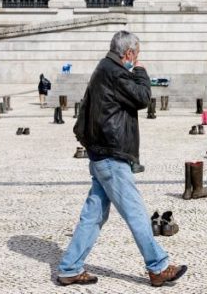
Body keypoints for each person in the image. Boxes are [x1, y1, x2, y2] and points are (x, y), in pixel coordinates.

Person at [57, 31, 187, 288]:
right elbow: (142, 97)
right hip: (111, 155)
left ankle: (69, 268)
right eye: (136, 55)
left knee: (93, 215)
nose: (136, 59)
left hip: (101, 154)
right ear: (128, 54)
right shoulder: (115, 72)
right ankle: (158, 266)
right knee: (136, 213)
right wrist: (140, 71)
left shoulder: (103, 68)